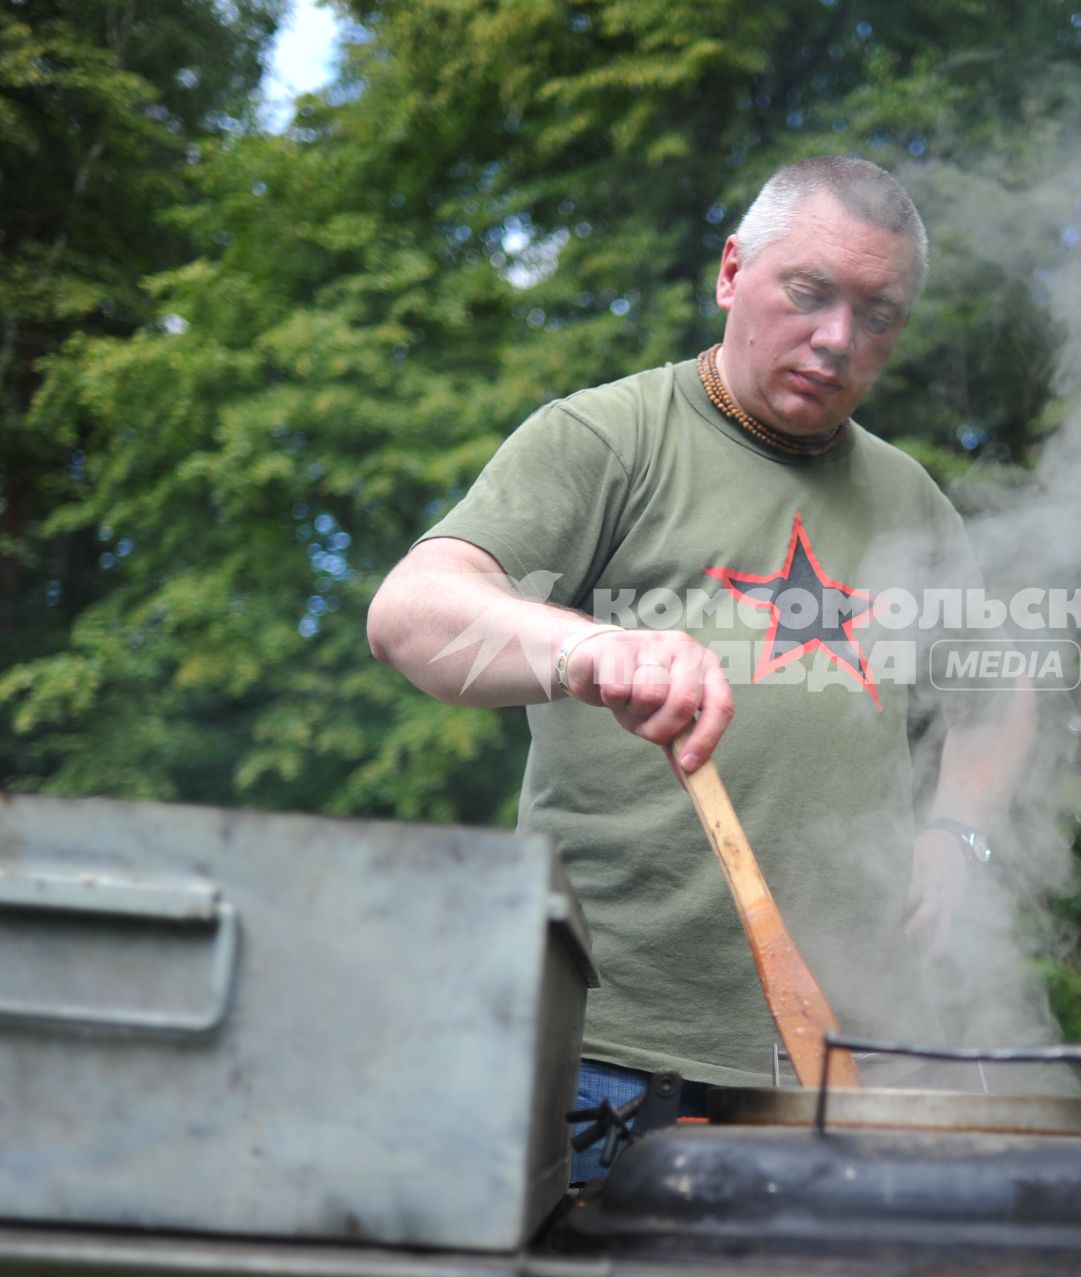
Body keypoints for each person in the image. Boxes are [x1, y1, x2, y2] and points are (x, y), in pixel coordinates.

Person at [366, 156, 1031, 1178]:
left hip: (837, 1070)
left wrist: (957, 832)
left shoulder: (912, 501)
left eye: (879, 313)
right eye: (808, 294)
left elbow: (999, 692)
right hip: (601, 1055)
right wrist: (590, 647)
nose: (839, 339)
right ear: (732, 273)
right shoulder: (606, 438)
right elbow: (411, 613)